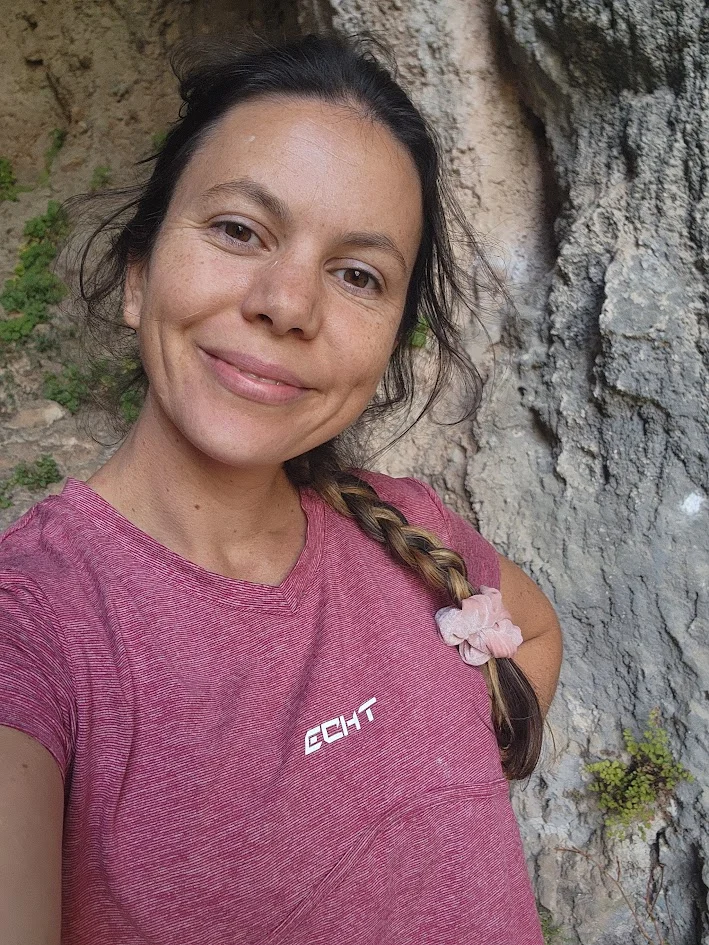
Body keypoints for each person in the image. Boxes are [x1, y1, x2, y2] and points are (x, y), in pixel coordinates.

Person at [0, 32, 563, 945]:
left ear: (386, 347)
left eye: (356, 275)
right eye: (237, 230)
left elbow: (533, 631)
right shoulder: (38, 623)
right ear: (138, 274)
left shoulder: (407, 527)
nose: (287, 303)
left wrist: (423, 815)